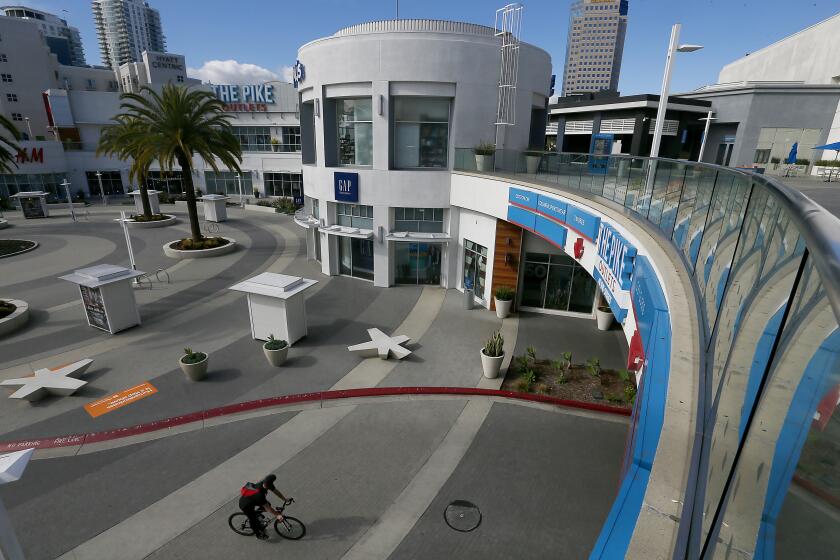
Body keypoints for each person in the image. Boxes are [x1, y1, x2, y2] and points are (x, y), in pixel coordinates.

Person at [239, 474, 291, 540]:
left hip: (253, 500)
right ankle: (258, 534)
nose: (267, 486)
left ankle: (257, 514)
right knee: (253, 520)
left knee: (268, 504)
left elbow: (276, 491)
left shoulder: (267, 483)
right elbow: (268, 508)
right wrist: (277, 515)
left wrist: (284, 499)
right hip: (245, 505)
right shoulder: (259, 494)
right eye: (266, 485)